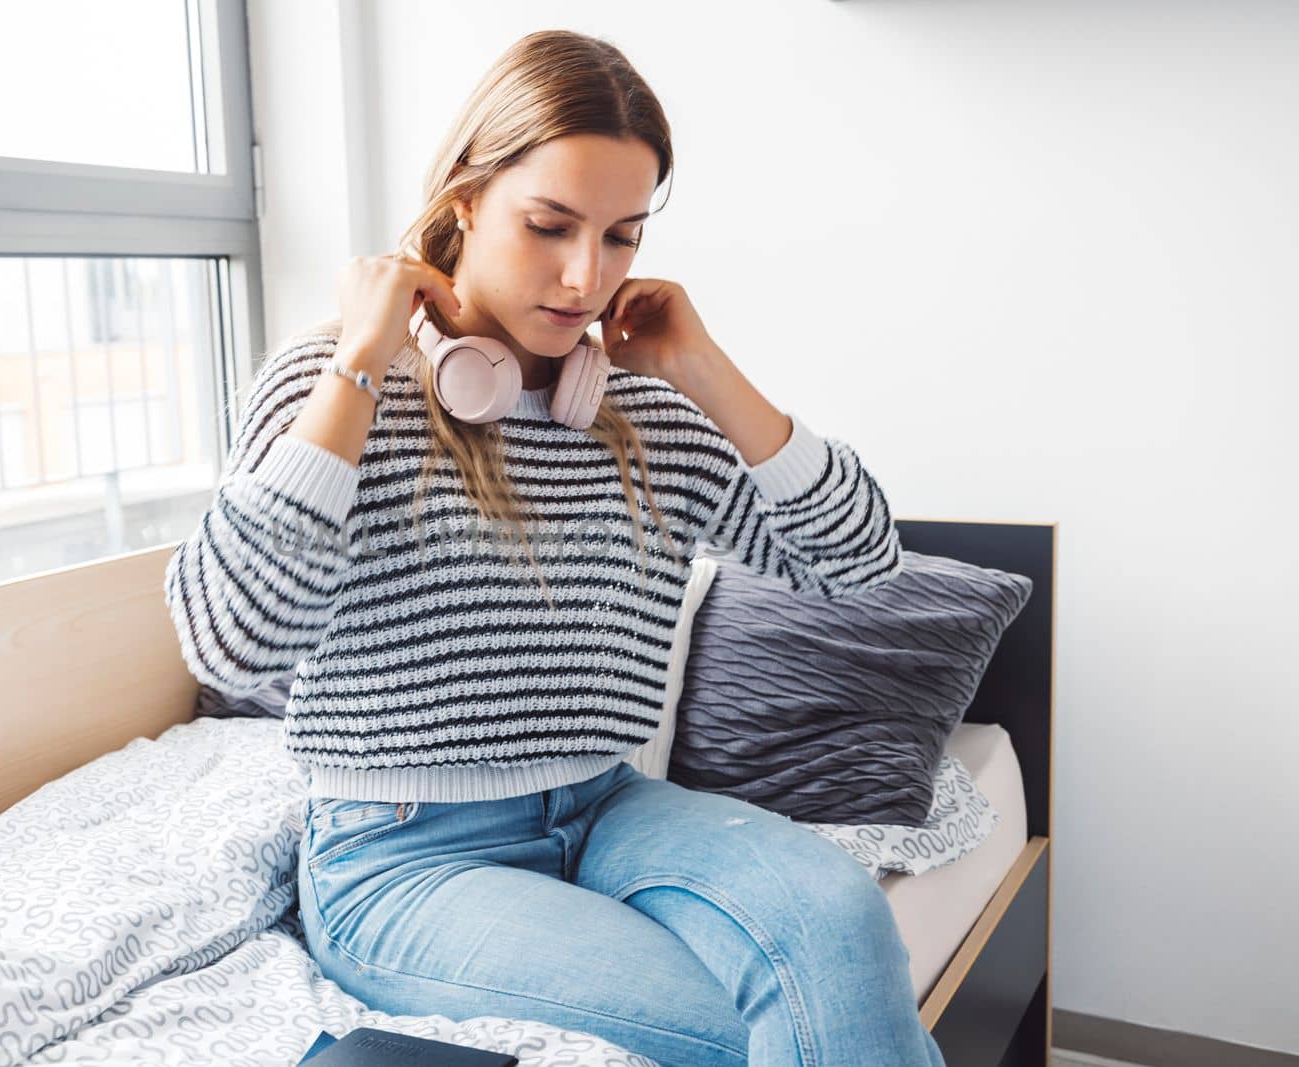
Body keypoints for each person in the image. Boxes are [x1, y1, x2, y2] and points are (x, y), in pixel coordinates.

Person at [164, 28, 941, 1067]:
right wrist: (357, 358)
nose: (585, 276)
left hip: (608, 803)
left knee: (838, 925)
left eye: (621, 236)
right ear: (463, 202)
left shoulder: (641, 407)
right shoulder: (337, 385)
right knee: (762, 1028)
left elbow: (860, 559)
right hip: (401, 855)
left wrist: (705, 369)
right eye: (549, 225)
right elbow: (230, 642)